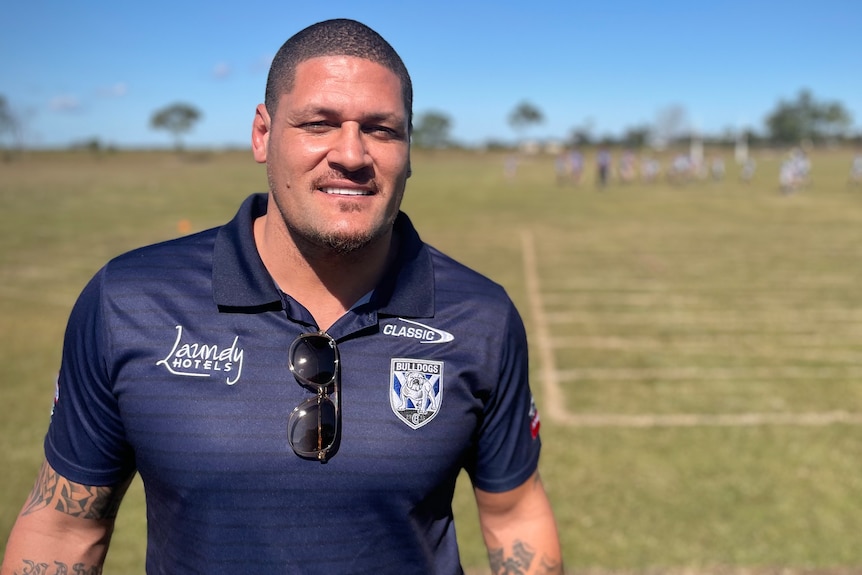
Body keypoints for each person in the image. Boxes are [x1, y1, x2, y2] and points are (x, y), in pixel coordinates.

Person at [1, 18, 562, 575]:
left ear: (410, 149)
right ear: (262, 134)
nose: (351, 154)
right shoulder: (128, 301)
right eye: (318, 123)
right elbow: (64, 528)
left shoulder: (481, 316)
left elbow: (514, 515)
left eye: (382, 129)